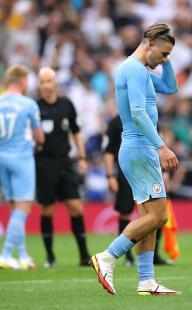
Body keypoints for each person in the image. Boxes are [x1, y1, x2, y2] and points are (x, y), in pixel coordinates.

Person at [89, 23, 181, 296]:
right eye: (163, 54)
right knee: (159, 216)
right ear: (149, 43)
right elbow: (139, 113)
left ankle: (146, 280)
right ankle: (107, 257)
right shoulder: (135, 70)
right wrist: (162, 147)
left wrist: (168, 58)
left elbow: (170, 86)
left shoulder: (136, 69)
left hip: (138, 150)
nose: (164, 60)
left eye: (168, 56)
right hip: (140, 148)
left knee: (149, 217)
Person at [0, 65, 44, 270]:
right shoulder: (29, 104)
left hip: (1, 158)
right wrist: (39, 142)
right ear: (22, 81)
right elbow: (39, 135)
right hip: (22, 158)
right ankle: (5, 254)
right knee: (23, 208)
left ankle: (22, 255)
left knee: (15, 208)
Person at [35, 67, 91, 267]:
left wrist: (82, 157)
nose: (46, 86)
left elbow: (76, 132)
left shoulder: (67, 105)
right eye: (42, 82)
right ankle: (50, 257)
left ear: (55, 83)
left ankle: (84, 255)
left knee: (76, 206)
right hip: (44, 163)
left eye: (49, 81)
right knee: (48, 209)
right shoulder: (34, 108)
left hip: (65, 162)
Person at [103, 115, 173, 267]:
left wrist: (164, 172)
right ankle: (119, 256)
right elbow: (108, 151)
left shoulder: (151, 119)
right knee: (128, 213)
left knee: (153, 216)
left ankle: (151, 262)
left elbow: (159, 144)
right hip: (127, 171)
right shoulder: (116, 122)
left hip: (150, 168)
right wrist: (109, 175)